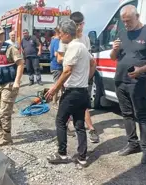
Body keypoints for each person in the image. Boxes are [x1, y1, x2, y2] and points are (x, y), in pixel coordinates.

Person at [110, 5, 146, 164]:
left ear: (137, 16)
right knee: (126, 114)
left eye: (128, 21)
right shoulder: (122, 32)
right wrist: (114, 50)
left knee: (142, 116)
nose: (126, 24)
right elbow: (113, 58)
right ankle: (133, 144)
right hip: (120, 80)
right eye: (123, 21)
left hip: (138, 82)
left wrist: (141, 70)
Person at [44, 19, 91, 167]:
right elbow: (93, 63)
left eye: (59, 34)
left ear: (65, 34)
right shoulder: (82, 47)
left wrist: (54, 89)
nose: (58, 37)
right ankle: (82, 157)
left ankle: (62, 154)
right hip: (83, 91)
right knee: (79, 124)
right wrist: (86, 78)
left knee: (60, 121)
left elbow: (67, 71)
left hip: (72, 92)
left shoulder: (72, 47)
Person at [57, 11, 99, 143]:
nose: (78, 27)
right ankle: (86, 128)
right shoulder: (65, 38)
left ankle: (90, 129)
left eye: (80, 24)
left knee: (80, 107)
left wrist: (87, 76)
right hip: (71, 79)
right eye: (76, 24)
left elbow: (91, 61)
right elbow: (59, 58)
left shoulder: (85, 39)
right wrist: (73, 58)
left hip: (83, 78)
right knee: (72, 109)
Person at [0, 26, 24, 146]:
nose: (1, 36)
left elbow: (20, 64)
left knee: (4, 112)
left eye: (2, 34)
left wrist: (17, 81)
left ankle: (7, 138)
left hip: (9, 85)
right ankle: (3, 131)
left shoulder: (10, 49)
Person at [49, 26, 63, 107]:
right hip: (57, 66)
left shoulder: (53, 40)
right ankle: (55, 102)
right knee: (58, 84)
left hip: (54, 65)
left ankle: (57, 101)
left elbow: (49, 48)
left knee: (58, 84)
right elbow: (56, 54)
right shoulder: (57, 41)